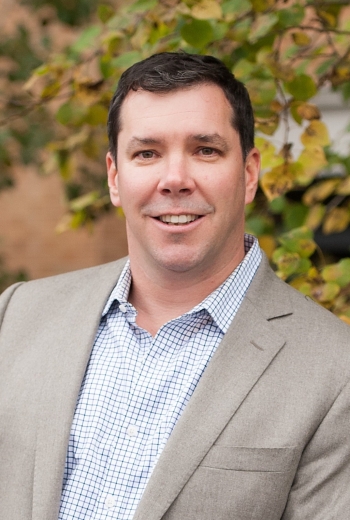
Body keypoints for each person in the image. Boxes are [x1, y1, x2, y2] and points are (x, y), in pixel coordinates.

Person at [0, 52, 350, 520]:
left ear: (248, 174)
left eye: (205, 149)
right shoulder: (19, 315)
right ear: (114, 177)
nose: (175, 180)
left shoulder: (335, 370)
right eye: (147, 153)